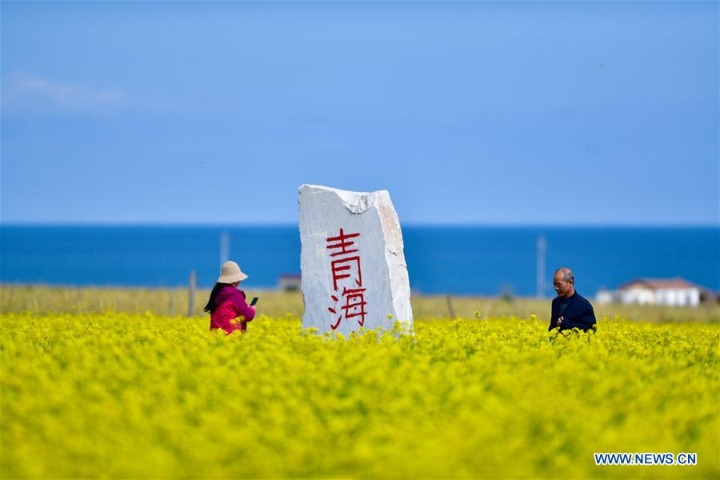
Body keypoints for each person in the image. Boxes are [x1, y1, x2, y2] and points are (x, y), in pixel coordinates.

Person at [204, 260, 256, 334]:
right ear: (235, 279)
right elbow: (248, 315)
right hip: (231, 337)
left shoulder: (217, 292)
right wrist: (252, 309)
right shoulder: (234, 294)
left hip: (216, 337)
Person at [548, 267, 597, 332]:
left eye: (558, 285)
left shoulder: (584, 305)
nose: (556, 288)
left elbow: (590, 329)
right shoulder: (555, 302)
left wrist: (566, 325)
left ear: (571, 282)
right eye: (554, 285)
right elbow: (553, 326)